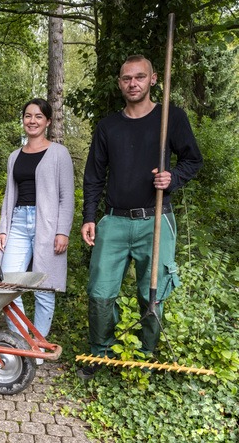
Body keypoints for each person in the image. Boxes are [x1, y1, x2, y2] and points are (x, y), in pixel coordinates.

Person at [78, 55, 203, 379]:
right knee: (100, 293)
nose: (132, 83)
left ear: (153, 80)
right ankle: (101, 353)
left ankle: (144, 356)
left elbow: (193, 159)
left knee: (152, 294)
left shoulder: (170, 118)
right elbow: (93, 176)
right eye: (126, 78)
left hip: (157, 220)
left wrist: (172, 178)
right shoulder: (108, 126)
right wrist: (89, 216)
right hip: (115, 221)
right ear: (119, 83)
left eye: (139, 77)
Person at [0, 98, 74, 364]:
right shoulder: (14, 156)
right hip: (18, 221)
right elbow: (10, 194)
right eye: (28, 116)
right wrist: (4, 228)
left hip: (48, 225)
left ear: (48, 121)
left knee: (45, 288)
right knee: (5, 285)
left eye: (38, 116)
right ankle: (22, 341)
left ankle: (38, 346)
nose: (32, 120)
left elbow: (67, 196)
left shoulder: (59, 153)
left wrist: (62, 231)